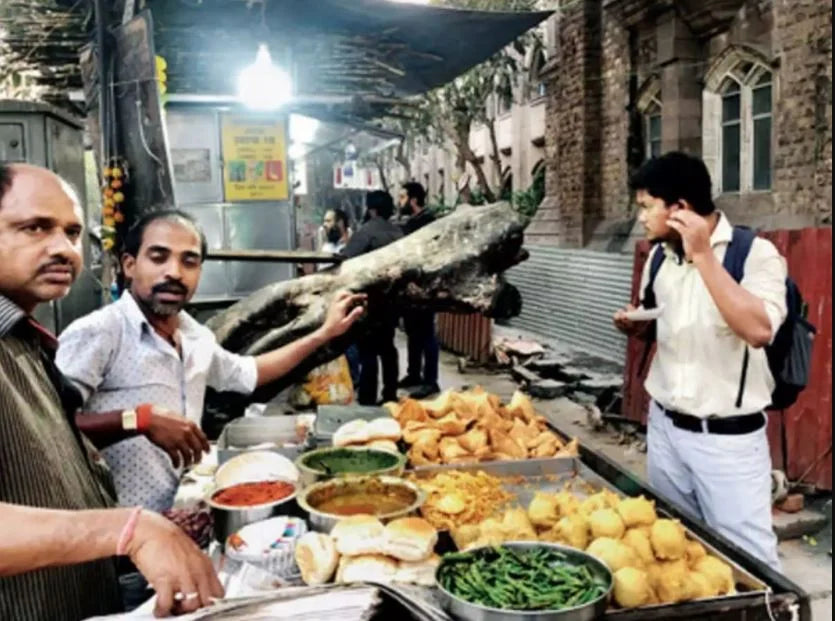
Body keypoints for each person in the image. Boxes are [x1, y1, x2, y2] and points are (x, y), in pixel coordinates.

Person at [56, 209, 364, 607]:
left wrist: (323, 333)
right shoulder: (99, 333)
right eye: (158, 257)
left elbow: (250, 373)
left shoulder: (193, 335)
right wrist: (137, 420)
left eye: (189, 261)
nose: (175, 272)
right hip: (116, 542)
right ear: (129, 265)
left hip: (179, 521)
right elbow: (52, 427)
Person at [0, 162, 221, 619]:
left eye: (72, 232)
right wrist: (128, 529)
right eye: (35, 227)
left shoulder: (26, 343)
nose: (63, 249)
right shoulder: (95, 333)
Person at [613, 152, 786, 570]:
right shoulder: (659, 257)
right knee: (674, 548)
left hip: (726, 440)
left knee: (750, 561)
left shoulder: (754, 254)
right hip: (666, 429)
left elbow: (760, 330)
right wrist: (637, 327)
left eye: (646, 207)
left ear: (681, 209)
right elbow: (665, 323)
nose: (640, 218)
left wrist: (704, 255)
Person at [343, 190, 403, 405]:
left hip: (368, 301)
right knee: (388, 348)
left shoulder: (365, 233)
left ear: (371, 209)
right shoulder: (399, 233)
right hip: (392, 301)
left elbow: (346, 260)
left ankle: (368, 397)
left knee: (368, 351)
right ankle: (390, 394)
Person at [397, 182, 440, 399]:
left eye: (403, 197)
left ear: (414, 200)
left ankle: (431, 381)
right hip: (410, 288)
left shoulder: (429, 223)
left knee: (427, 335)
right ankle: (414, 373)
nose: (400, 202)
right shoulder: (410, 222)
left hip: (425, 287)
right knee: (413, 333)